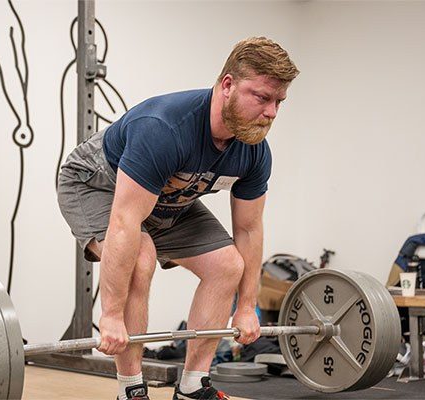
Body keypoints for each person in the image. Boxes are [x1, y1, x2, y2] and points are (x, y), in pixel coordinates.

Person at [57, 36, 299, 400]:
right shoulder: (165, 128)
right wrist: (110, 315)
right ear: (228, 85)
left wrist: (247, 307)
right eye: (262, 98)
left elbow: (248, 230)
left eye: (279, 101)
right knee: (141, 256)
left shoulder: (254, 152)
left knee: (227, 265)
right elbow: (125, 221)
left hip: (167, 197)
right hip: (95, 183)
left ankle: (191, 387)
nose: (272, 113)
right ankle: (131, 390)